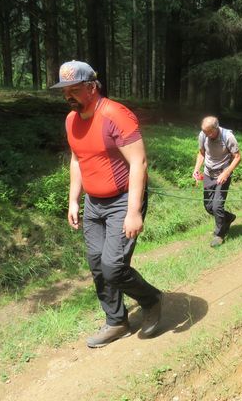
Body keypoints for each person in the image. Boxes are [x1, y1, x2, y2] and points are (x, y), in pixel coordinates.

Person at [51, 60, 163, 347]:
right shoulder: (71, 120)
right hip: (93, 202)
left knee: (113, 266)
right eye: (64, 91)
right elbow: (77, 159)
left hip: (122, 200)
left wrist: (133, 211)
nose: (68, 97)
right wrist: (73, 200)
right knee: (97, 266)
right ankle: (116, 321)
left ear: (92, 87)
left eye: (74, 90)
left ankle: (151, 299)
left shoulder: (116, 114)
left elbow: (139, 162)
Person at [192, 116, 242, 247]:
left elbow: (237, 157)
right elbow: (201, 153)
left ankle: (219, 234)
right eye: (204, 131)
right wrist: (196, 169)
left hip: (223, 174)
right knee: (209, 207)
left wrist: (226, 172)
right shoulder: (203, 135)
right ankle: (228, 218)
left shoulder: (228, 136)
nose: (206, 135)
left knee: (217, 206)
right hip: (209, 173)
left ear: (216, 128)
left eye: (209, 132)